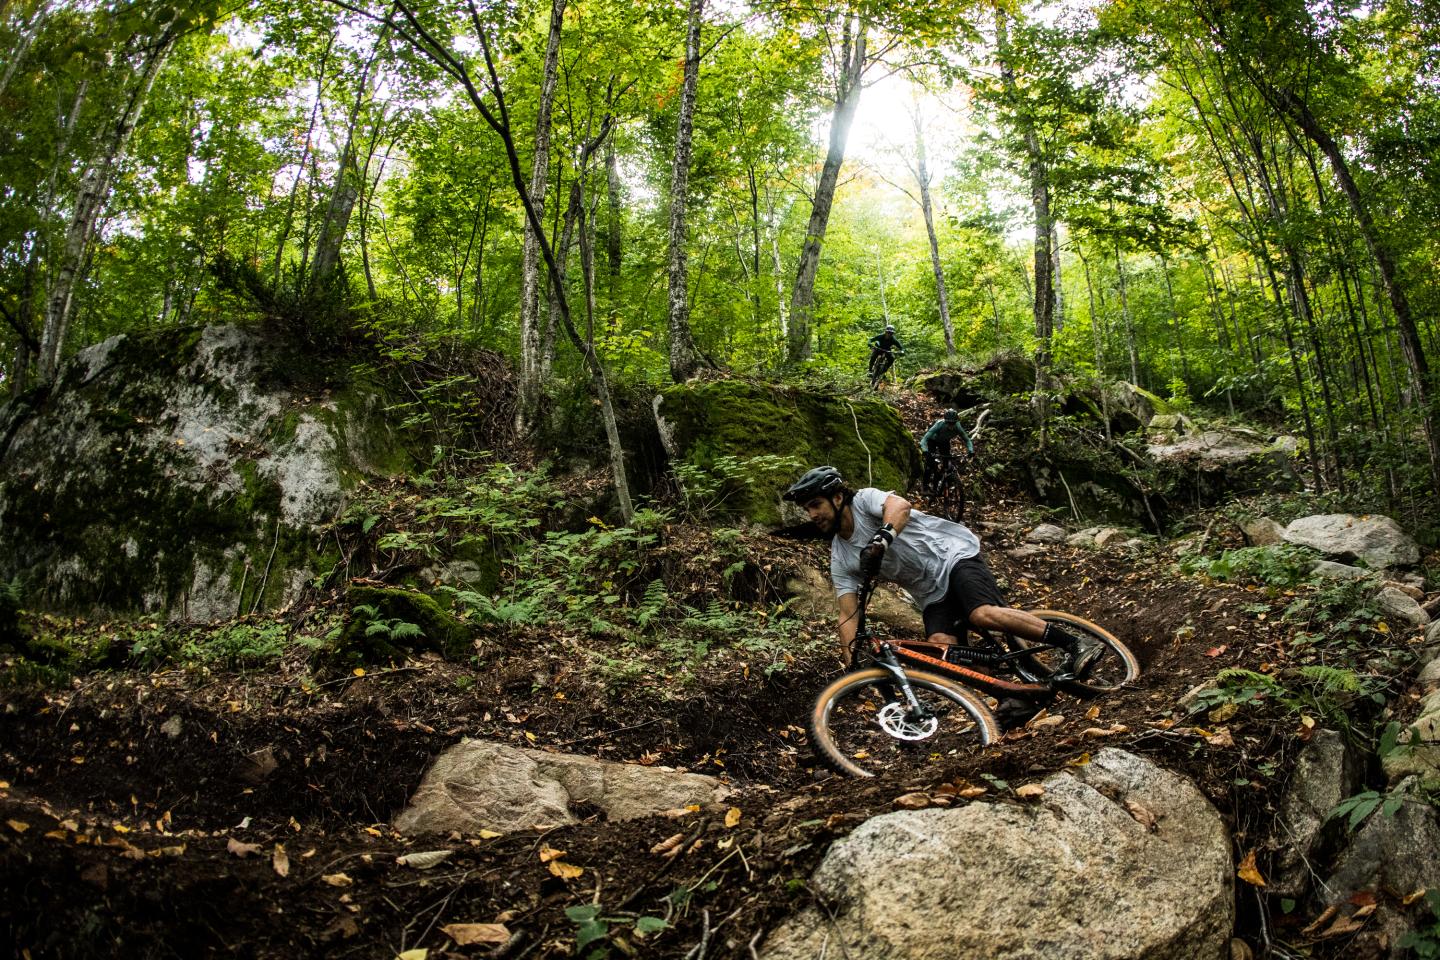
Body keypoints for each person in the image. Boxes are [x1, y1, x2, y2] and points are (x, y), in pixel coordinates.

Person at [781, 465, 1100, 729]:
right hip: (930, 592)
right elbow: (847, 614)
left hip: (952, 555)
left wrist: (883, 538)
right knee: (941, 650)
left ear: (837, 498)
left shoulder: (864, 501)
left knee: (981, 614)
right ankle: (1013, 697)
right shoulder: (840, 556)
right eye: (806, 508)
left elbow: (900, 506)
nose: (811, 515)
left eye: (815, 505)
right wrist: (851, 670)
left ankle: (1074, 643)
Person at [921, 408, 974, 495]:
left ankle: (942, 485)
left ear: (956, 421)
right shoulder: (939, 425)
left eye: (953, 423)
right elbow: (924, 439)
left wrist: (971, 450)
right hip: (933, 441)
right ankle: (925, 487)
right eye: (949, 423)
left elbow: (967, 440)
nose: (951, 425)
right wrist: (925, 450)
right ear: (945, 421)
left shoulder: (958, 426)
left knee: (946, 465)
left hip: (944, 442)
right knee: (930, 464)